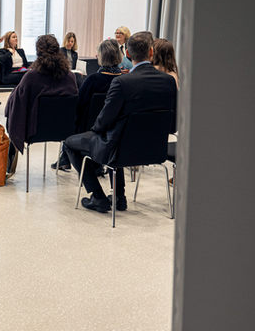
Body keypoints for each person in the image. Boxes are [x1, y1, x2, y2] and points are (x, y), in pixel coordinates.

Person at [65, 31, 177, 213]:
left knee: (71, 143)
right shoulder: (169, 81)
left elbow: (103, 121)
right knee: (119, 136)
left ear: (128, 54)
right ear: (151, 52)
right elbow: (173, 124)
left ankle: (98, 196)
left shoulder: (122, 82)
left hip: (118, 149)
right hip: (154, 149)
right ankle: (119, 197)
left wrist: (94, 131)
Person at [51, 39, 122, 170]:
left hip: (89, 126)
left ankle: (65, 158)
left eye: (98, 54)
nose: (96, 56)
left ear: (103, 56)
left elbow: (79, 105)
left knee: (70, 118)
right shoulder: (122, 79)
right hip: (114, 126)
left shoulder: (94, 79)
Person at [5, 34, 78, 162]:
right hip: (65, 130)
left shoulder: (31, 77)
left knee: (13, 106)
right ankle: (65, 158)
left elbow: (17, 104)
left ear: (38, 52)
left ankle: (10, 159)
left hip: (34, 131)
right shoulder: (70, 77)